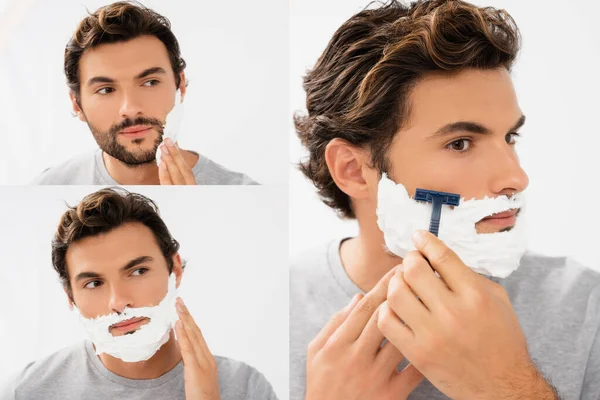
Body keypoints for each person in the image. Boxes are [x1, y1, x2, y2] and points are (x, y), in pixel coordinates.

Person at [290, 1, 600, 399]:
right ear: (352, 169)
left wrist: (509, 387)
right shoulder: (279, 312)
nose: (516, 177)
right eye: (461, 143)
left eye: (510, 137)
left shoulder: (585, 308)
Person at [0, 188, 276, 400]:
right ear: (70, 297)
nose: (119, 302)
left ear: (175, 269)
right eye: (94, 284)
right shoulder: (26, 391)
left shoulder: (245, 387)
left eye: (138, 272)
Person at [34, 1, 255, 185]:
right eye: (106, 90)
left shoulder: (243, 192)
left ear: (181, 84)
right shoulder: (46, 188)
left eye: (150, 83)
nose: (130, 108)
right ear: (76, 103)